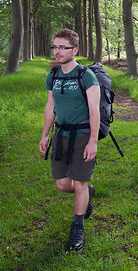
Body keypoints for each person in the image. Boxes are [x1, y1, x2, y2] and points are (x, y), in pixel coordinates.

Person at [39, 29, 100, 251]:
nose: (57, 51)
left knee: (79, 183)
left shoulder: (86, 76)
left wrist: (93, 141)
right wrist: (45, 134)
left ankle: (77, 227)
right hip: (60, 135)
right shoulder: (53, 76)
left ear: (74, 50)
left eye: (62, 47)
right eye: (55, 46)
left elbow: (95, 111)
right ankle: (87, 192)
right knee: (63, 184)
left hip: (82, 136)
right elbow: (50, 106)